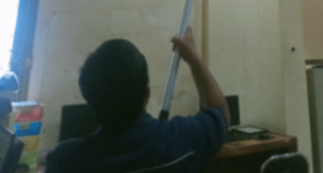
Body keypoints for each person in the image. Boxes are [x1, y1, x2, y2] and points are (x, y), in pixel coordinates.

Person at [45, 26, 230, 173]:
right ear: (146, 94)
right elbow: (220, 114)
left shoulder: (64, 161)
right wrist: (192, 56)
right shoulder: (179, 141)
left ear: (89, 98)